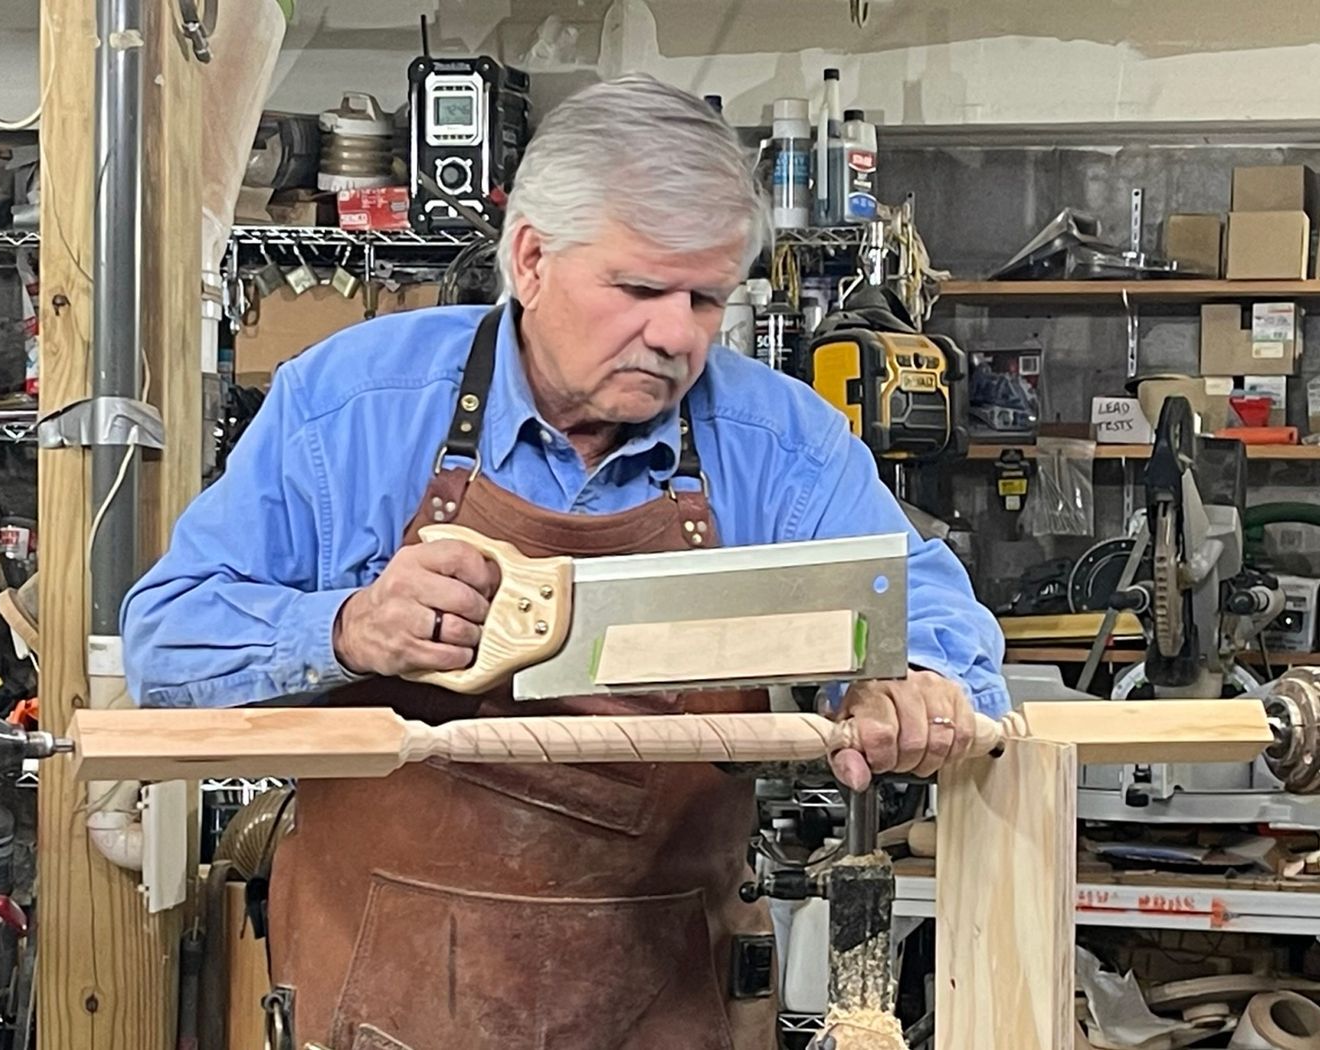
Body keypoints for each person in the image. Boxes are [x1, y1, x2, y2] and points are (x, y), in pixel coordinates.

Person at [121, 74, 1008, 1050]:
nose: (676, 335)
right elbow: (167, 645)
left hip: (667, 1003)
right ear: (531, 258)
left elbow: (923, 613)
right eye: (637, 288)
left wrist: (916, 685)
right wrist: (343, 628)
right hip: (385, 1006)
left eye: (706, 298)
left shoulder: (779, 444)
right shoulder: (350, 407)